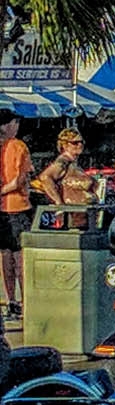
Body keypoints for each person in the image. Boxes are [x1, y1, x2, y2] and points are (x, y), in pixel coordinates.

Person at [0, 110, 32, 320]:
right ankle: (24, 300)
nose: (17, 125)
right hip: (17, 205)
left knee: (5, 255)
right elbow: (21, 179)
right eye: (15, 122)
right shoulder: (19, 146)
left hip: (2, 208)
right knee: (20, 255)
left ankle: (11, 300)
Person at [38, 129, 96, 226]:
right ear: (65, 145)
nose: (80, 145)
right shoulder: (63, 162)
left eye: (82, 142)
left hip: (82, 213)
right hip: (72, 214)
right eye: (75, 143)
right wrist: (59, 203)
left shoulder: (72, 163)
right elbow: (45, 177)